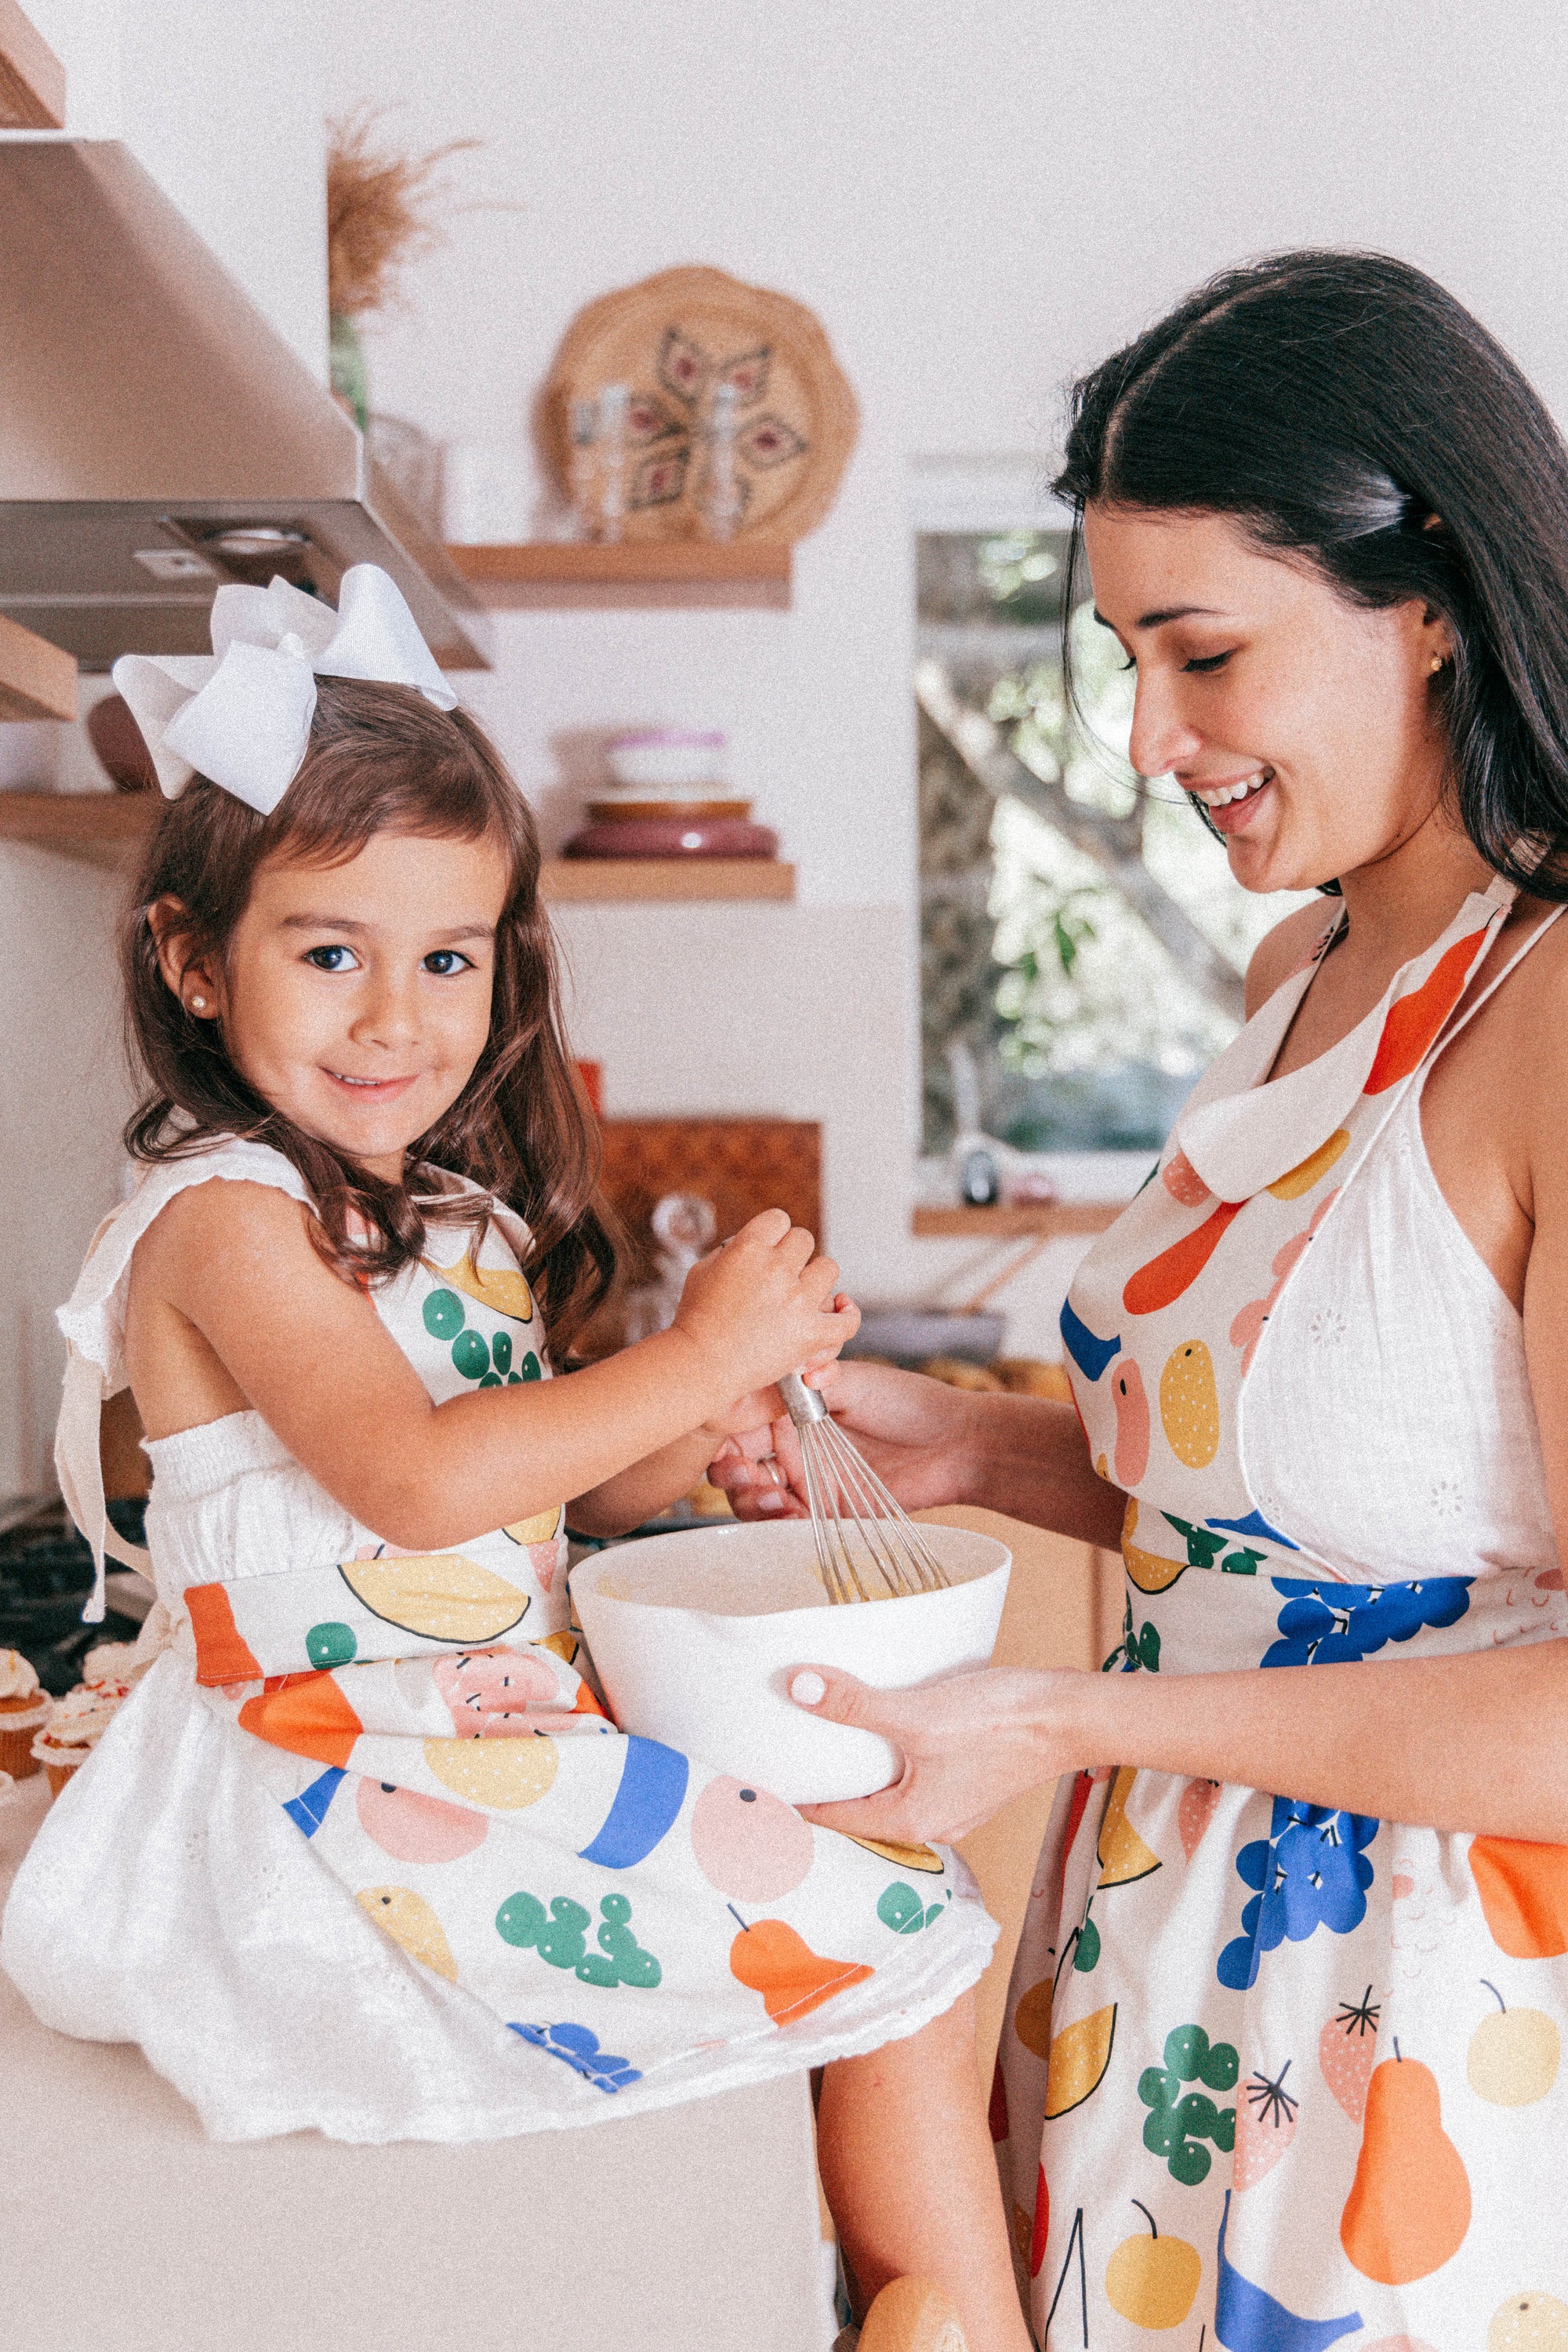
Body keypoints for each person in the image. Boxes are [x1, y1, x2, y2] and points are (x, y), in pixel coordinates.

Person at [0, 566, 1019, 2349]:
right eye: (331, 954)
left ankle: (927, 2317)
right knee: (891, 1925)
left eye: (447, 958)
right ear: (190, 958)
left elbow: (540, 1502)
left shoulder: (449, 1214)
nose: (398, 1017)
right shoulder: (225, 1218)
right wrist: (693, 1350)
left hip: (483, 1712)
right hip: (326, 1752)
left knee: (920, 1913)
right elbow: (411, 1482)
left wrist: (703, 1439)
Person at [714, 252, 1568, 2336]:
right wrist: (991, 1452)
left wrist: (1055, 1714)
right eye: (1121, 656)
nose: (1141, 738)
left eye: (1200, 654)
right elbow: (1312, 1515)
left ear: (1431, 598)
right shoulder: (1299, 987)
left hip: (1415, 2036)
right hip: (1158, 1982)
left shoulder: (1555, 1020)